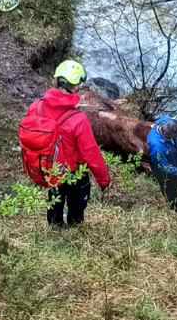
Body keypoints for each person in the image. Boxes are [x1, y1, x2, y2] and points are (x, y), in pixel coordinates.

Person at [17, 60, 112, 228]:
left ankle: (55, 228)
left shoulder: (36, 106)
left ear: (56, 80)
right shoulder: (78, 119)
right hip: (74, 173)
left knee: (54, 203)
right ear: (76, 87)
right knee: (77, 206)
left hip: (50, 168)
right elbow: (91, 153)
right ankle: (74, 228)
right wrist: (104, 180)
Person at [147, 114, 177, 211]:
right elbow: (163, 167)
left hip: (175, 158)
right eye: (176, 136)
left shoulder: (165, 121)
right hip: (166, 174)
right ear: (169, 134)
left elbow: (165, 117)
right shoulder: (157, 147)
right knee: (172, 193)